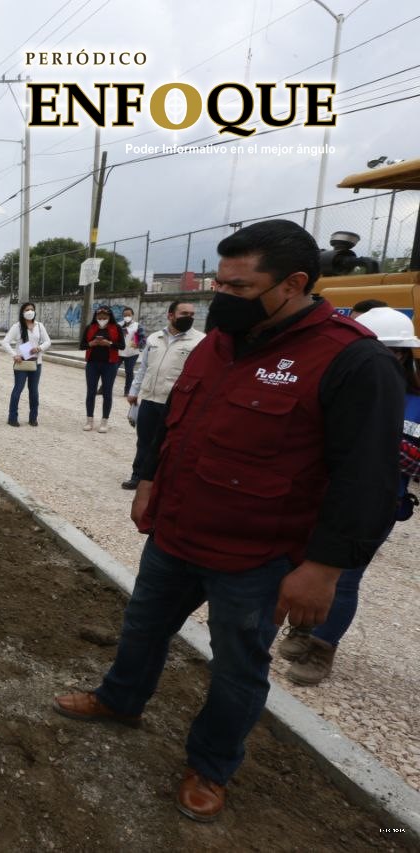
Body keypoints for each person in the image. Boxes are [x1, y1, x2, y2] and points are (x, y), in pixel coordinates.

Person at [52, 220, 403, 823]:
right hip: (177, 533)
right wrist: (150, 483)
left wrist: (322, 569)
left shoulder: (350, 360)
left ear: (294, 284)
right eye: (220, 282)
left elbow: (366, 478)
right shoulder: (217, 344)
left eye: (239, 287)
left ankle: (211, 766)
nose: (222, 297)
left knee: (238, 667)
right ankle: (121, 700)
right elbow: (177, 425)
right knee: (141, 628)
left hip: (257, 558)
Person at [277, 306, 420, 684]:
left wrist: (376, 441)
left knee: (342, 578)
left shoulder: (415, 403)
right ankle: (303, 627)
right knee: (301, 565)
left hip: (375, 505)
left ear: (401, 354)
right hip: (322, 494)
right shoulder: (339, 383)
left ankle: (322, 648)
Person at [120, 300, 205, 489]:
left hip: (175, 402)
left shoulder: (200, 341)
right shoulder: (154, 338)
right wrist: (134, 391)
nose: (189, 318)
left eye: (192, 314)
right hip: (150, 399)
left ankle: (162, 479)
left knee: (170, 443)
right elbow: (143, 368)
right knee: (144, 440)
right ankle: (139, 475)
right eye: (184, 314)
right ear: (171, 315)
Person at [1, 301, 52, 427]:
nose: (29, 312)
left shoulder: (39, 326)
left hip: (36, 363)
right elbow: (5, 342)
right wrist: (14, 355)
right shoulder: (17, 327)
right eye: (26, 310)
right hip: (21, 363)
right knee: (18, 389)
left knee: (33, 391)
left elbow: (48, 341)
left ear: (34, 311)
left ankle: (33, 418)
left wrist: (39, 348)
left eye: (31, 309)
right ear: (22, 312)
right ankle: (12, 418)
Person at [80, 305, 125, 432]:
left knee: (107, 392)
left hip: (110, 365)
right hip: (92, 364)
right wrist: (91, 344)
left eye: (105, 317)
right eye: (99, 317)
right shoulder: (90, 328)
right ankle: (89, 421)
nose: (102, 319)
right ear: (96, 317)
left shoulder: (116, 328)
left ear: (110, 317)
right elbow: (82, 345)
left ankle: (104, 422)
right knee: (91, 392)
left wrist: (109, 343)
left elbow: (122, 346)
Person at [118, 306, 145, 398]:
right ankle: (104, 387)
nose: (127, 316)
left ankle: (127, 391)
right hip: (119, 353)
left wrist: (138, 344)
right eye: (125, 315)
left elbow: (143, 339)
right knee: (111, 370)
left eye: (128, 315)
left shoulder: (137, 325)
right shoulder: (119, 325)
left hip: (132, 353)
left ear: (132, 315)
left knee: (129, 372)